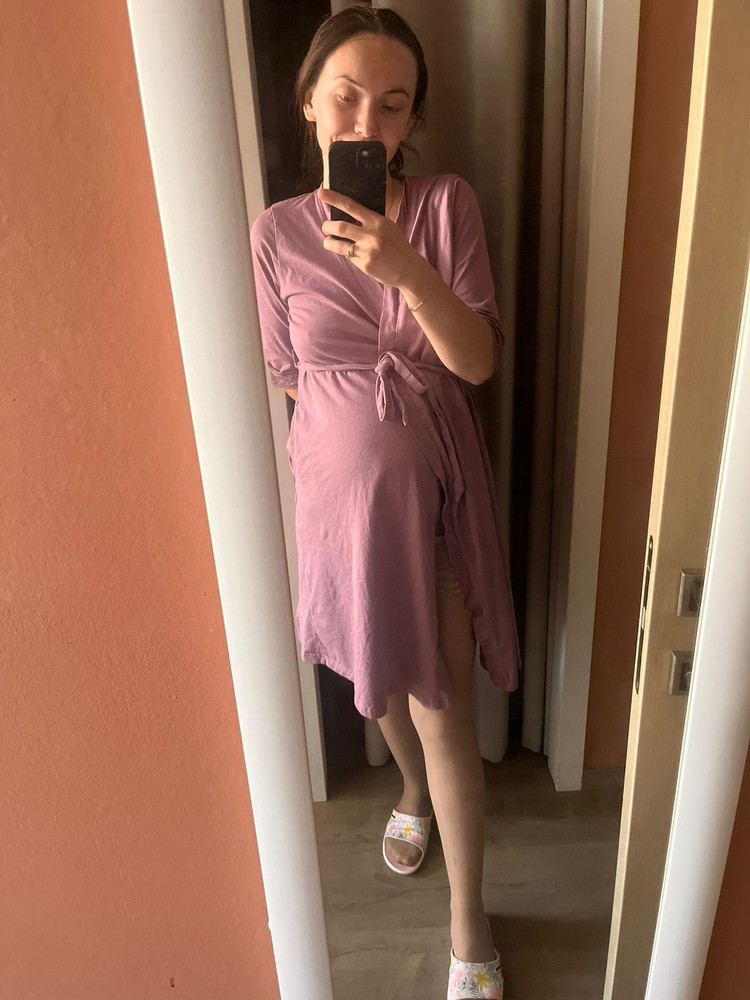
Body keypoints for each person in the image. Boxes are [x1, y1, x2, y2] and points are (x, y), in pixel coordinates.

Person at [250, 5, 521, 998]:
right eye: (348, 97)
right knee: (377, 679)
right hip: (339, 508)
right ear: (309, 103)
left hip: (435, 509)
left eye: (394, 104)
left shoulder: (446, 208)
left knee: (440, 705)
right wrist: (353, 438)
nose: (369, 122)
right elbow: (287, 371)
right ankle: (408, 791)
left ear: (412, 120)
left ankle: (469, 921)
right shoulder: (277, 234)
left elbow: (477, 362)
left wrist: (404, 269)